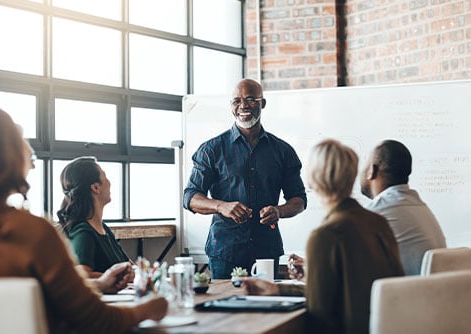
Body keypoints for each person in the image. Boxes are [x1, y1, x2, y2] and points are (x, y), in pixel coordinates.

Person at [0, 105, 167, 333]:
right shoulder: (30, 232)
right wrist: (149, 308)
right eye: (22, 139)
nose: (30, 151)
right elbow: (98, 322)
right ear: (10, 155)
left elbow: (40, 294)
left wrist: (99, 284)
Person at [242, 139, 404, 334]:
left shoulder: (325, 236)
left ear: (311, 181)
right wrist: (280, 290)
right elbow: (349, 290)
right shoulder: (379, 222)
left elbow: (320, 316)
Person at [183, 78, 307, 279]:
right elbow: (190, 197)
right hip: (225, 252)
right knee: (224, 308)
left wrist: (279, 211)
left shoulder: (283, 151)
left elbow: (299, 200)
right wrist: (220, 206)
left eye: (251, 99)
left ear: (262, 103)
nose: (243, 106)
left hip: (266, 251)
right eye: (236, 101)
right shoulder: (211, 150)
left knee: (266, 307)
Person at [360, 139, 447, 275]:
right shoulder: (421, 208)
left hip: (404, 295)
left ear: (372, 170)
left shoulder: (374, 214)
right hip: (433, 293)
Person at [57, 157, 132, 280]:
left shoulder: (104, 229)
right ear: (96, 188)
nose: (109, 182)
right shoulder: (83, 233)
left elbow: (128, 265)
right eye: (105, 176)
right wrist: (114, 278)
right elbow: (80, 275)